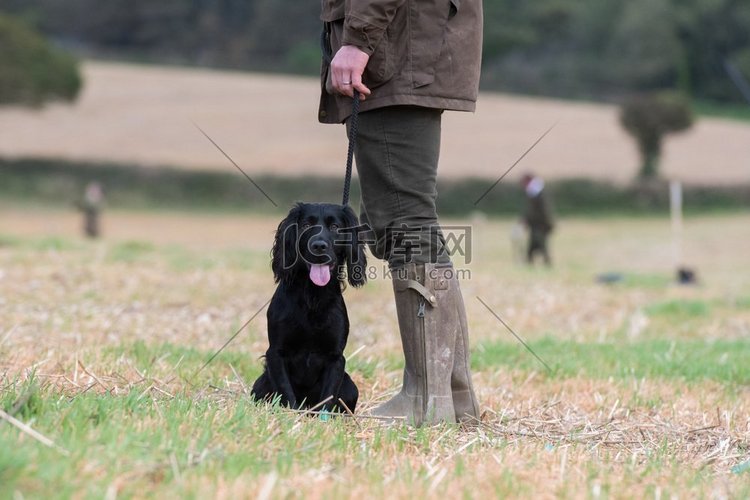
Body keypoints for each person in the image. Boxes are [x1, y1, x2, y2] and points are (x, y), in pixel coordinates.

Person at [318, 0, 483, 425]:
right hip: (405, 51)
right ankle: (452, 397)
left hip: (395, 55)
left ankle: (427, 399)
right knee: (400, 225)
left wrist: (357, 40)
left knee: (405, 224)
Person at [520, 173, 554, 266]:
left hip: (540, 224)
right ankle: (530, 262)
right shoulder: (534, 193)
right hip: (536, 224)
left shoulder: (537, 193)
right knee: (535, 245)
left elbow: (543, 211)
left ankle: (545, 263)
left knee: (540, 244)